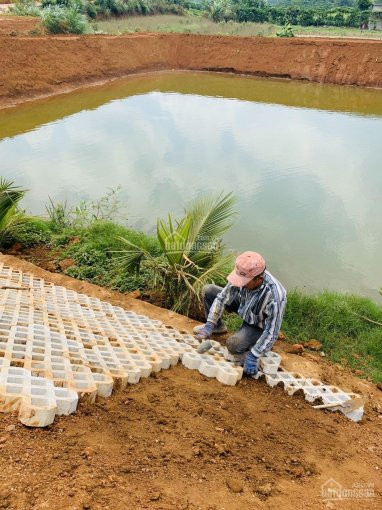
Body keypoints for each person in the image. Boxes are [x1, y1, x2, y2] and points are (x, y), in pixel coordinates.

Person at [194, 251, 286, 377]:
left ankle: (258, 344)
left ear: (259, 278)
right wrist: (210, 323)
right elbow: (222, 298)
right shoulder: (242, 277)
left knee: (233, 345)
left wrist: (254, 355)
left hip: (257, 323)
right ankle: (217, 327)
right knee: (209, 290)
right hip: (244, 304)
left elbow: (272, 331)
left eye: (245, 281)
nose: (240, 283)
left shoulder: (275, 296)